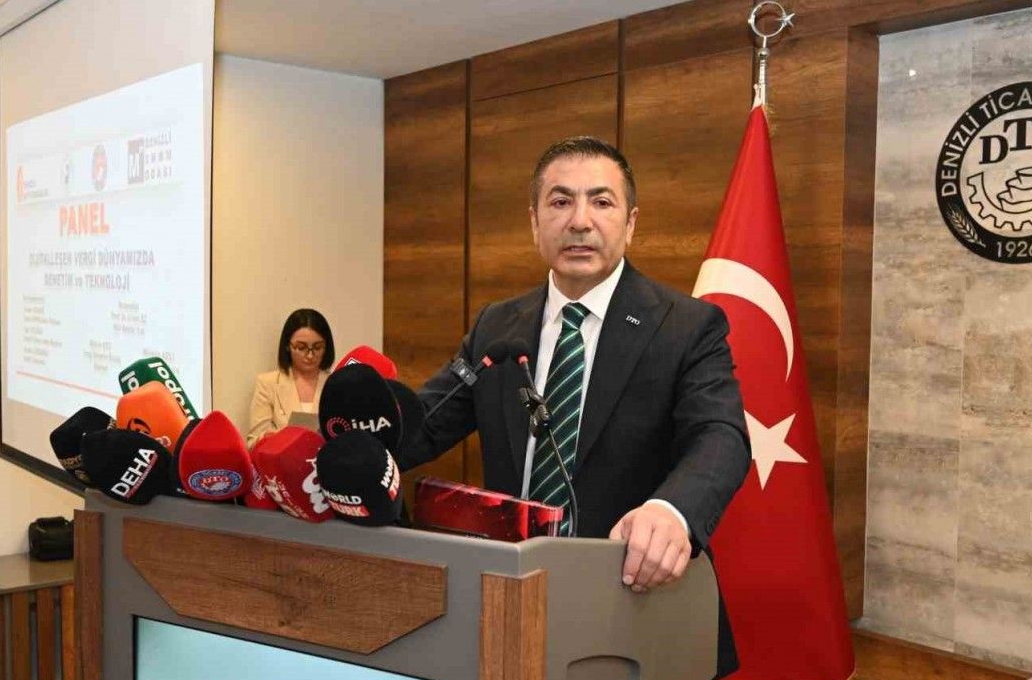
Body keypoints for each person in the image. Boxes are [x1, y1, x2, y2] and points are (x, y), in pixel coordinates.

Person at [398, 136, 751, 599]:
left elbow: (721, 436)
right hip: (512, 593)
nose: (580, 221)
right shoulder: (497, 326)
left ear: (630, 223)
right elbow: (424, 424)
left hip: (631, 594)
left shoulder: (686, 326)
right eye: (560, 202)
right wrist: (350, 441)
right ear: (534, 222)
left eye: (601, 202)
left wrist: (671, 510)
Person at [246, 308, 335, 448]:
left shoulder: (336, 384)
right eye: (301, 347)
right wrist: (276, 438)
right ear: (287, 346)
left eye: (317, 348)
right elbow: (253, 443)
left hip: (327, 460)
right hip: (280, 460)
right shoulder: (267, 383)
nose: (310, 355)